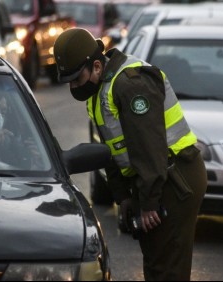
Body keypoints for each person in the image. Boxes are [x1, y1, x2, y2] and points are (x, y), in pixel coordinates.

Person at [53, 27, 207, 281]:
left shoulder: (130, 84)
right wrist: (123, 196)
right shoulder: (99, 90)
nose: (73, 86)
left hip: (175, 179)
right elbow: (111, 150)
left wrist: (148, 203)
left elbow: (149, 149)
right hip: (157, 178)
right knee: (156, 262)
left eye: (76, 78)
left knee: (168, 269)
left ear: (97, 67)